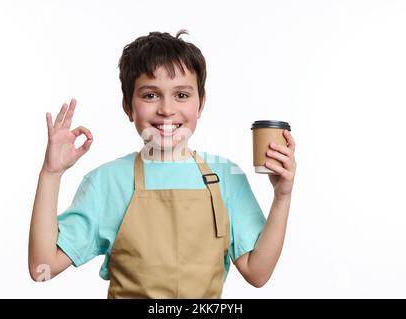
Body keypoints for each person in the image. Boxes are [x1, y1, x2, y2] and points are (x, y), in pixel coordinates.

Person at [28, 30, 297, 299]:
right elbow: (43, 269)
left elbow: (257, 273)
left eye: (181, 95)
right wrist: (51, 174)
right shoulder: (106, 182)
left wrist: (282, 197)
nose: (167, 109)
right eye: (150, 95)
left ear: (201, 104)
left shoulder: (226, 176)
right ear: (127, 107)